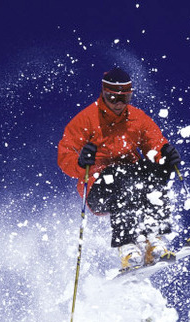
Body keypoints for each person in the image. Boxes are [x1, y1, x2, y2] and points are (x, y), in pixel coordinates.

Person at [58, 67, 181, 270]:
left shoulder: (137, 118)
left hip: (131, 182)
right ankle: (127, 247)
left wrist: (165, 155)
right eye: (112, 97)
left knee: (154, 171)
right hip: (98, 189)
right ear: (103, 93)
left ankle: (153, 239)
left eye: (124, 98)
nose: (118, 103)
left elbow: (154, 143)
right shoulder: (87, 119)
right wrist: (81, 162)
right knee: (117, 175)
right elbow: (64, 156)